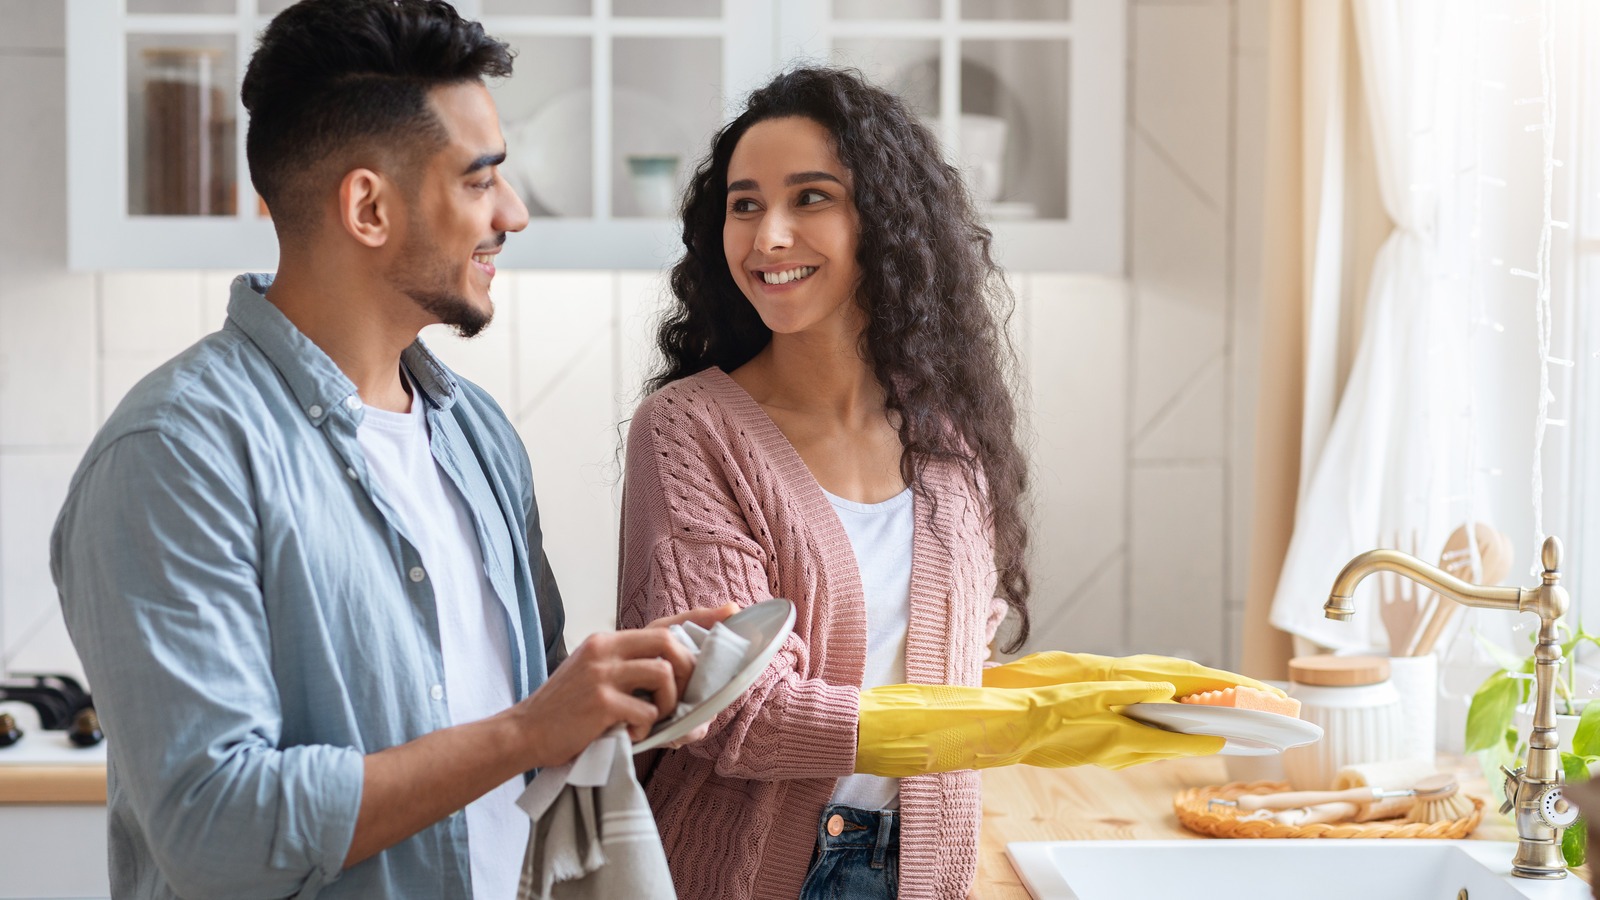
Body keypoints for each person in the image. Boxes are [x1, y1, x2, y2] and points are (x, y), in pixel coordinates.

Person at [50, 3, 727, 899]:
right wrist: (527, 730)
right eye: (481, 181)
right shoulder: (176, 456)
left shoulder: (476, 433)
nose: (514, 215)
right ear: (368, 206)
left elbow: (526, 728)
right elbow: (215, 829)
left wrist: (632, 691)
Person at [617, 67, 1276, 900]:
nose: (768, 236)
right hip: (745, 876)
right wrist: (1035, 726)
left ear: (884, 222)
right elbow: (739, 715)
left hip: (924, 871)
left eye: (810, 197)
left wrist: (1110, 692)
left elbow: (939, 679)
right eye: (744, 205)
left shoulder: (948, 444)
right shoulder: (690, 430)